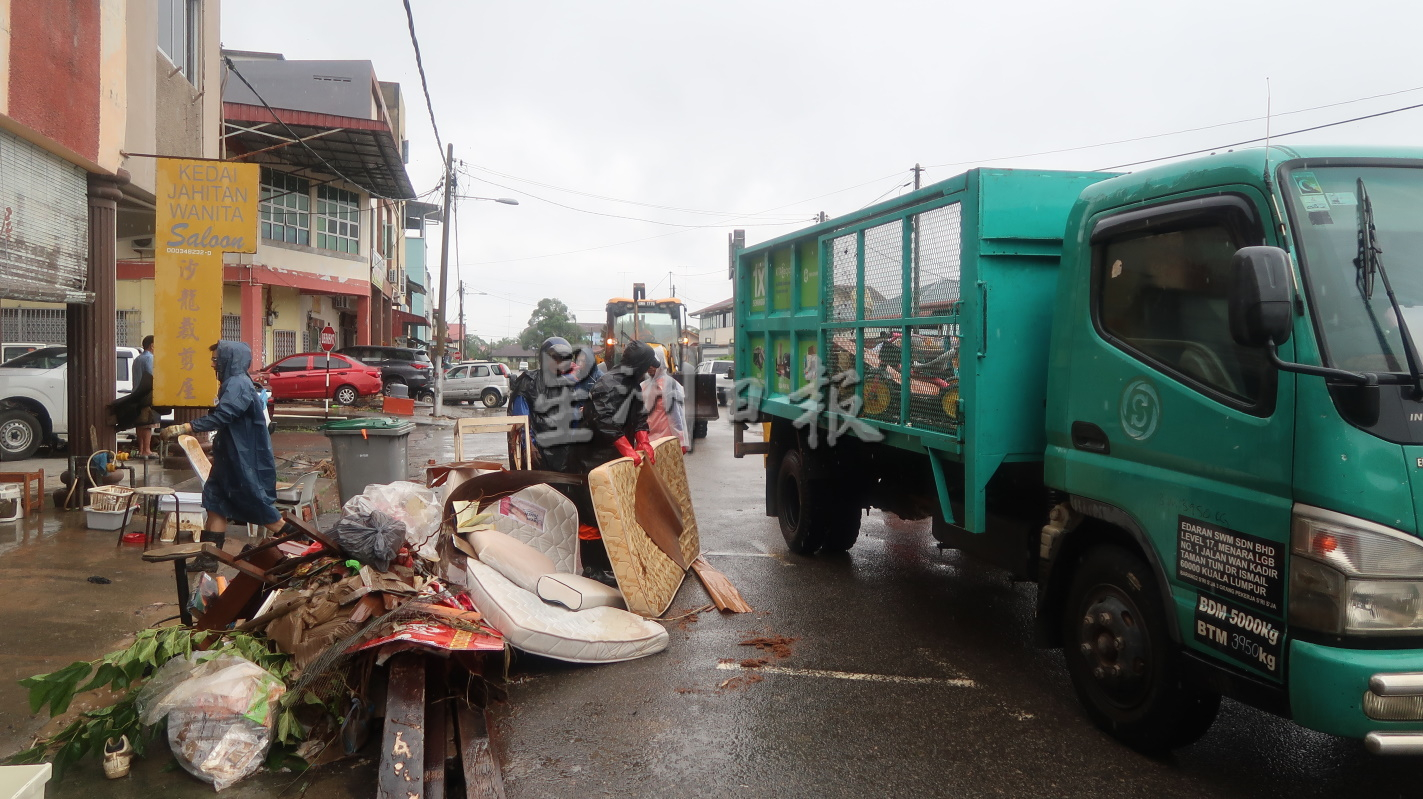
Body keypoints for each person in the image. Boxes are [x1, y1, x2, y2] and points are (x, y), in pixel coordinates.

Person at [161, 341, 293, 572]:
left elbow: (224, 416)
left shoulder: (237, 384)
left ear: (229, 359)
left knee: (255, 504)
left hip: (242, 459)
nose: (213, 364)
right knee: (215, 503)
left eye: (216, 359)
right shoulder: (234, 383)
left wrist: (187, 427)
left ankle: (300, 541)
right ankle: (209, 557)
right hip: (230, 456)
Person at [507, 336, 602, 472]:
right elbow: (520, 419)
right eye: (555, 359)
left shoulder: (568, 383)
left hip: (563, 450)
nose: (559, 363)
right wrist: (527, 445)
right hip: (537, 449)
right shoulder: (529, 382)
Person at [642, 350, 689, 452]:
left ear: (661, 363)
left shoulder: (669, 385)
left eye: (654, 363)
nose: (650, 366)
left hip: (665, 440)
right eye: (647, 362)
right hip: (648, 439)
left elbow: (676, 416)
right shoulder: (643, 386)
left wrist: (681, 441)